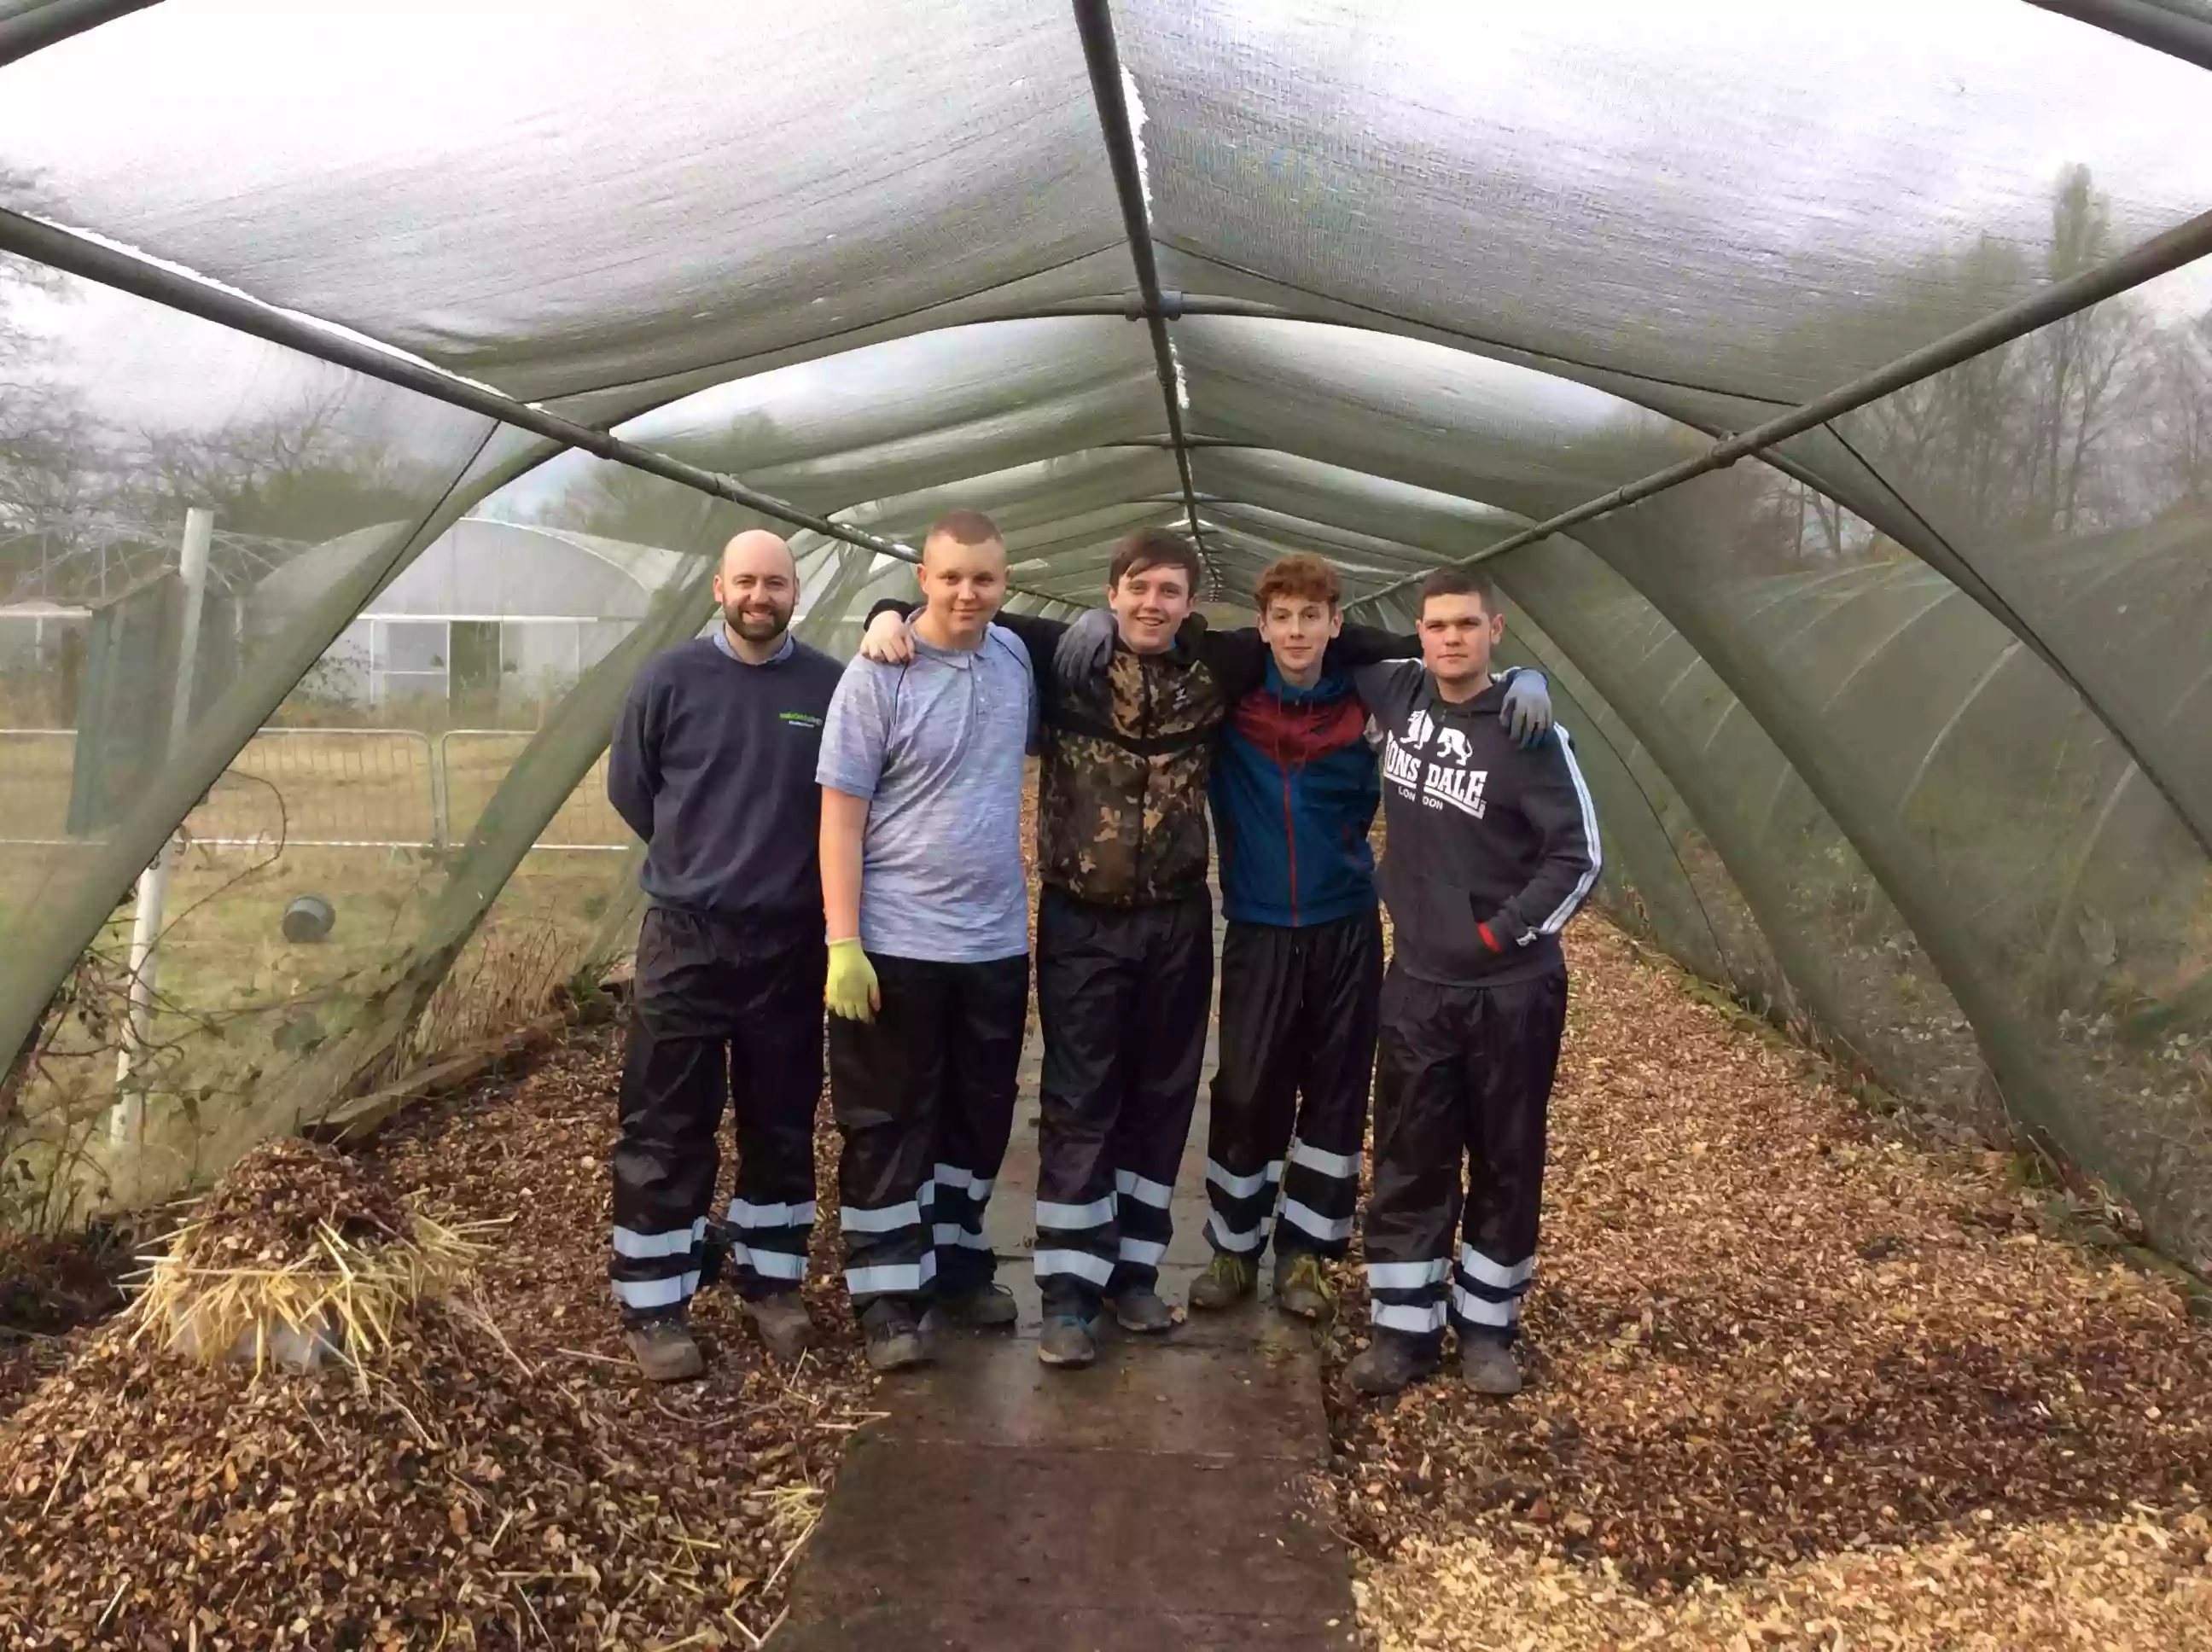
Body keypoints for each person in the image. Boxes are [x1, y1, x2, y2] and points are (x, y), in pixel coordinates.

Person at [860, 530, 1462, 1369]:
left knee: (1162, 1098)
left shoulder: (1217, 665)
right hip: (1081, 919)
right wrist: (885, 609)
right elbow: (963, 613)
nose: (1152, 604)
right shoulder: (1059, 660)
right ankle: (1068, 1293)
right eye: (1138, 588)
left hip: (1179, 920)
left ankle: (1133, 1273)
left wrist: (1511, 674)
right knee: (1079, 1100)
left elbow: (1361, 639)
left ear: (1191, 606)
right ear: (1111, 594)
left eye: (1169, 592)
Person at [1180, 553, 1551, 1325]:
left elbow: (1450, 673)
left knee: (1338, 1089)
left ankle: (1309, 1251)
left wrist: (1523, 678)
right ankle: (1233, 1244)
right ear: (1262, 625)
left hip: (1344, 922)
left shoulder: (1366, 700)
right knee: (1247, 1088)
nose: (1295, 631)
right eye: (1281, 617)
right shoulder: (1231, 700)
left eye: (1310, 617)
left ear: (1333, 624)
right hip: (1256, 924)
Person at [1347, 565, 1600, 1399]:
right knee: (1410, 1151)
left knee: (1506, 1152)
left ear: (1496, 630)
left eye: (1466, 624)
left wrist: (1499, 931)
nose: (1450, 637)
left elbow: (1578, 856)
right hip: (1419, 982)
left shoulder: (1529, 733)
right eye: (1435, 625)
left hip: (1510, 990)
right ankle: (1403, 1331)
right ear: (1419, 634)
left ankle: (1489, 1325)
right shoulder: (1398, 696)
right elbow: (1328, 639)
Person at [604, 529, 843, 1382]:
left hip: (789, 940)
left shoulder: (826, 684)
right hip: (687, 938)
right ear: (718, 588)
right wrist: (699, 861)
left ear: (794, 593)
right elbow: (633, 788)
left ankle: (770, 1280)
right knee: (667, 1122)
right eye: (745, 581)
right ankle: (654, 1297)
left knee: (780, 1119)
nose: (759, 596)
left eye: (775, 583)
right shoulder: (670, 679)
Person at [817, 511, 1034, 1372]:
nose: (966, 593)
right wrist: (843, 939)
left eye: (982, 578)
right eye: (950, 577)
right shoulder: (878, 675)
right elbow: (840, 817)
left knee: (976, 1116)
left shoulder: (1014, 658)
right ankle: (885, 1294)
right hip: (898, 940)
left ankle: (955, 1266)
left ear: (1004, 582)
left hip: (990, 941)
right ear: (922, 576)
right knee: (887, 1119)